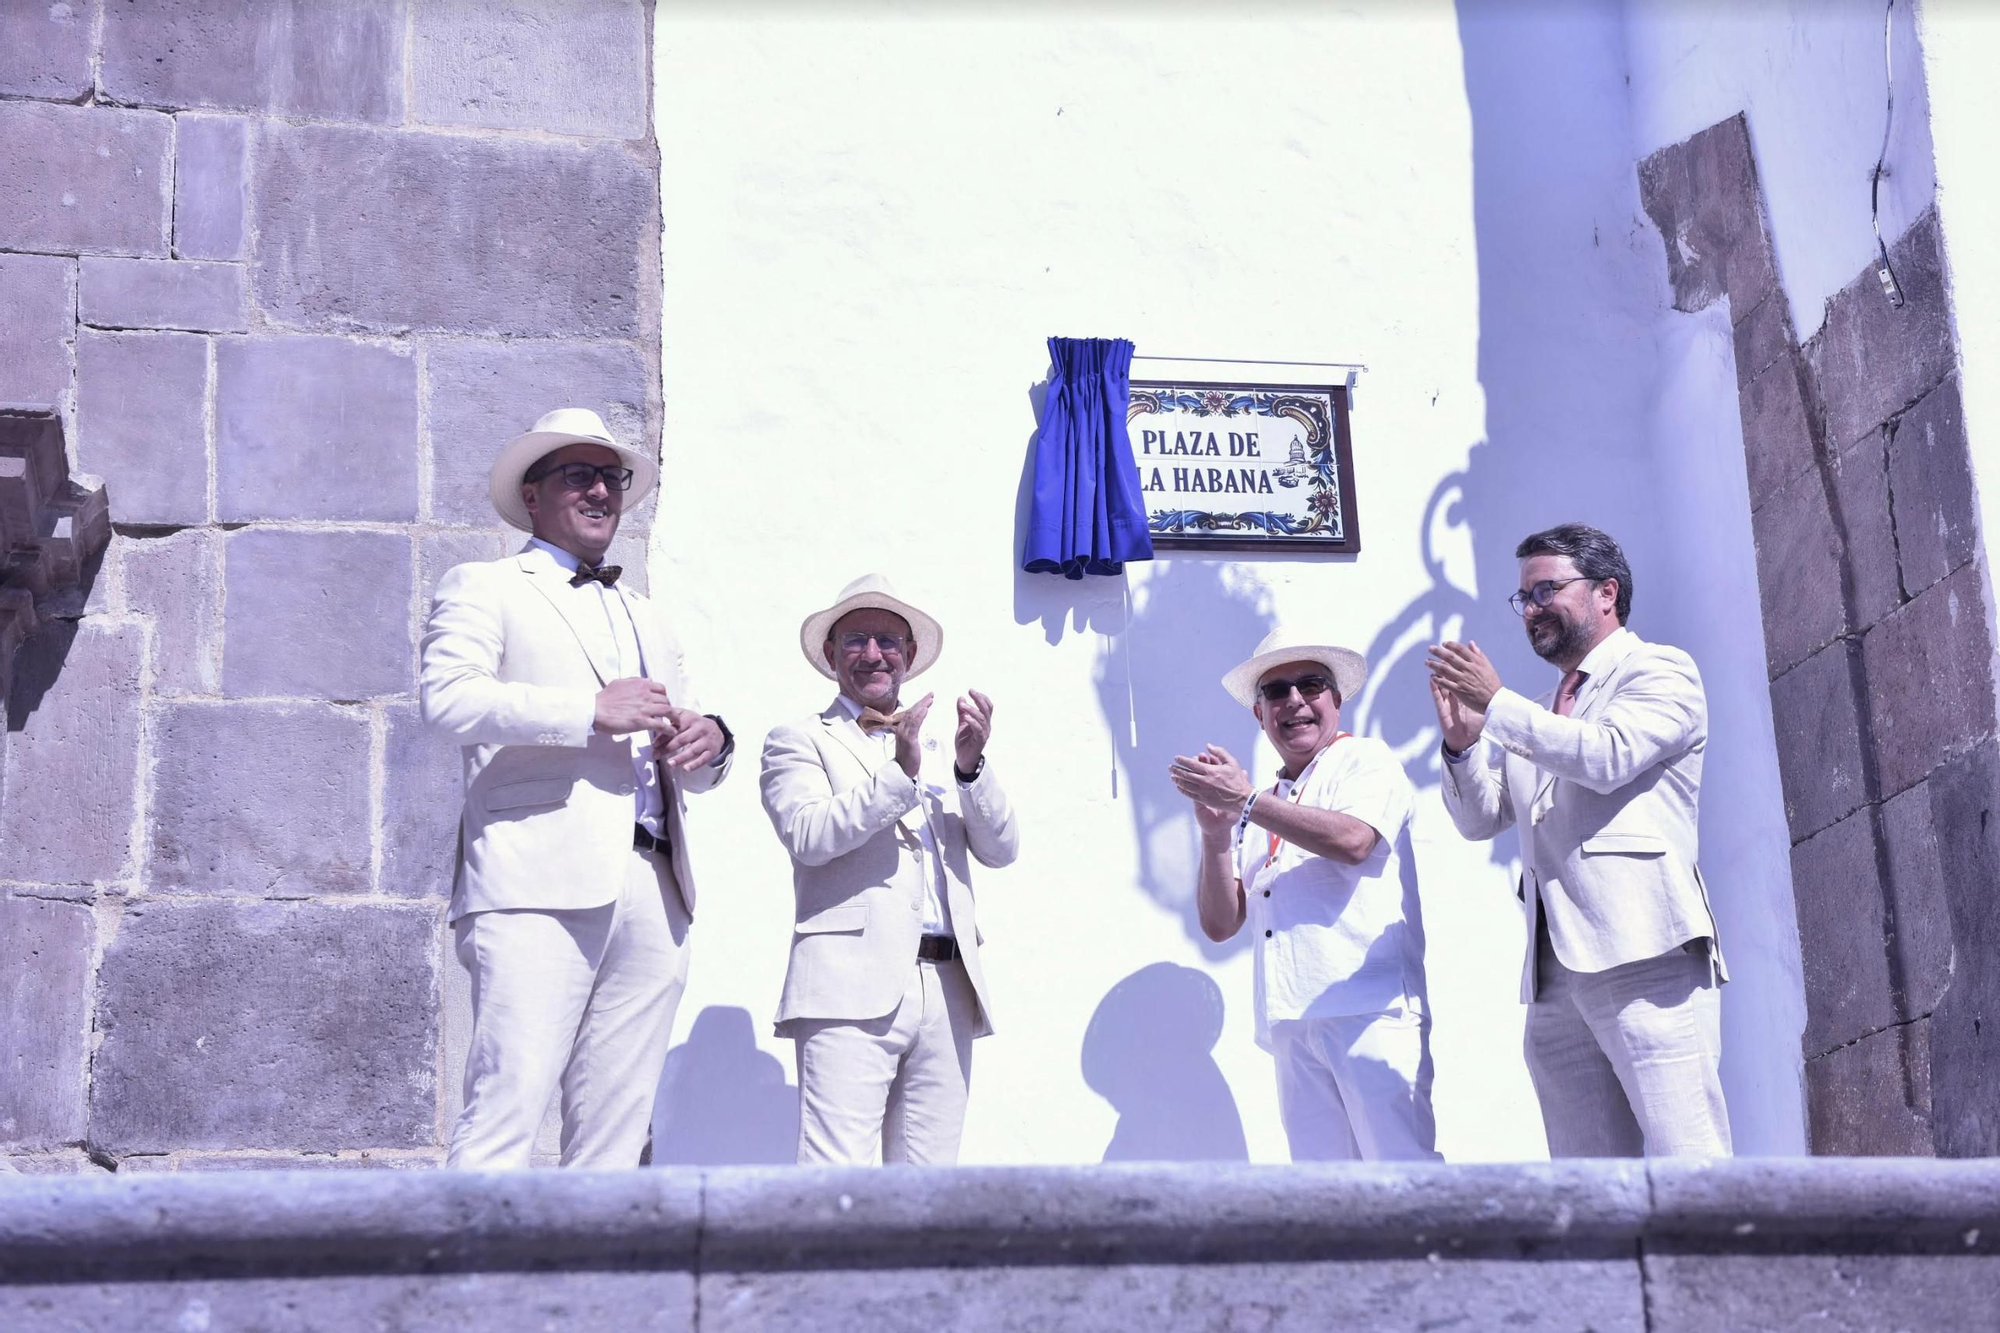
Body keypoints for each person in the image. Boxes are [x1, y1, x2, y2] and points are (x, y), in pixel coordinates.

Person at [420, 407, 734, 1169]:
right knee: (508, 1105)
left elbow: (686, 738)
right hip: (537, 876)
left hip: (656, 883)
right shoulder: (486, 585)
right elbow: (445, 699)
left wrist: (712, 741)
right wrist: (584, 710)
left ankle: (592, 1290)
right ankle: (465, 1287)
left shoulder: (647, 615)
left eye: (611, 476)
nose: (601, 490)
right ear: (533, 495)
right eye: (579, 475)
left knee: (616, 1138)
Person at [1427, 521, 1729, 1158]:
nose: (1532, 610)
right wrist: (1460, 745)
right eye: (1524, 599)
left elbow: (1608, 757)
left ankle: (1718, 1263)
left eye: (1545, 591)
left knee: (1690, 1157)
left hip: (1645, 949)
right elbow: (1484, 819)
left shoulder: (1660, 669)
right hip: (1553, 972)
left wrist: (1499, 704)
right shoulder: (1538, 710)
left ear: (1605, 593)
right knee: (1589, 1181)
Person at [759, 574, 1019, 1165]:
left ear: (910, 656)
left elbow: (1002, 849)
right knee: (835, 1179)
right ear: (830, 656)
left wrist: (972, 769)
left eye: (887, 640)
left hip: (949, 985)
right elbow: (809, 835)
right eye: (855, 640)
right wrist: (900, 773)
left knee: (928, 1191)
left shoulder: (942, 749)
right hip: (846, 986)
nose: (873, 654)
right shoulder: (798, 740)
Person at [1169, 628, 1439, 1162]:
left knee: (1402, 1177)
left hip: (1368, 1011)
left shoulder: (1366, 760)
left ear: (1336, 699)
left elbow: (1354, 841)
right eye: (1276, 692)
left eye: (1311, 685)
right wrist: (1216, 835)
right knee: (1325, 1195)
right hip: (1292, 1019)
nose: (1294, 701)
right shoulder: (1263, 802)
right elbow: (1221, 925)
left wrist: (1244, 800)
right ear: (1259, 714)